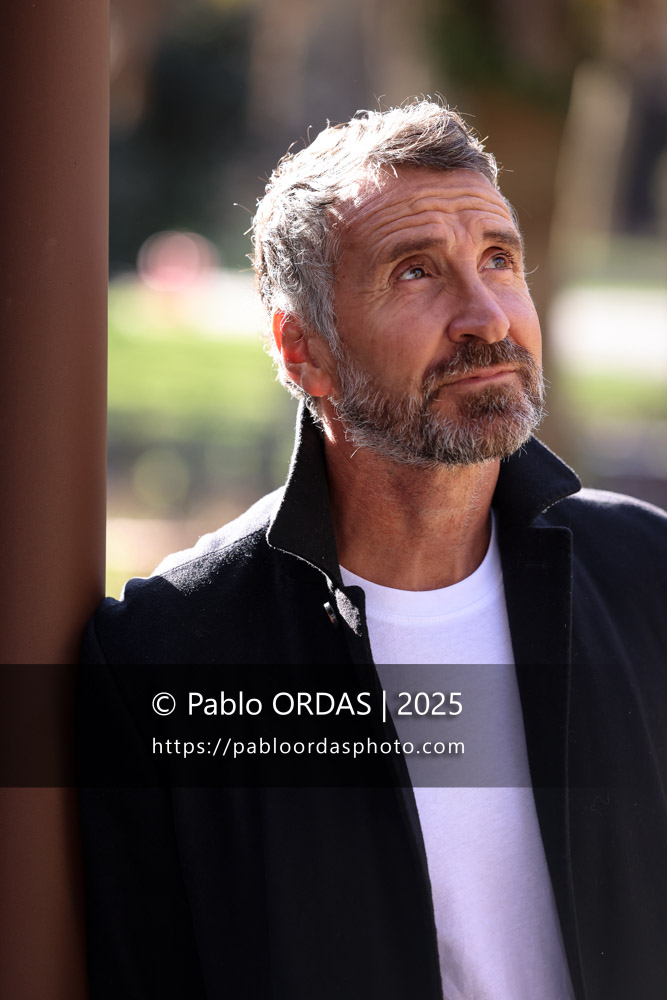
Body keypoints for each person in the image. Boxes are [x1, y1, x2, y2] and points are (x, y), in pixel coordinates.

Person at [80, 101, 667, 999]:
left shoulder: (645, 575)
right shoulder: (168, 655)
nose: (485, 317)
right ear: (302, 351)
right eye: (415, 271)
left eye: (498, 259)